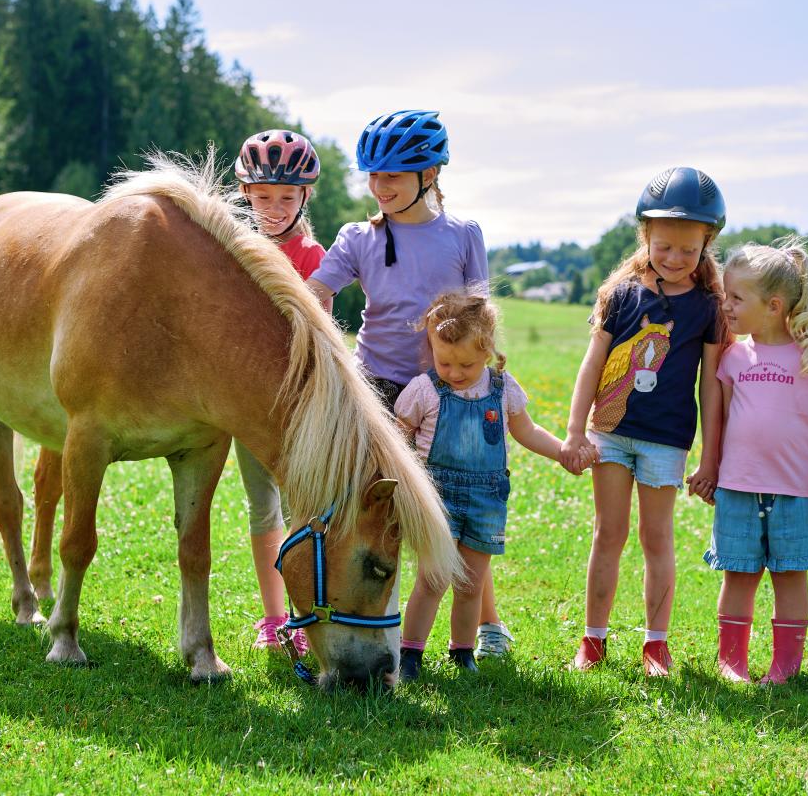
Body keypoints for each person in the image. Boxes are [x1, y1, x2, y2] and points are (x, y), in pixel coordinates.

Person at [306, 110, 514, 657]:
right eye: (373, 177)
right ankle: (382, 618)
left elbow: (480, 313)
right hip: (375, 387)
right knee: (380, 509)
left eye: (393, 176)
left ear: (430, 175)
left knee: (456, 505)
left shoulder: (463, 236)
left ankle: (487, 623)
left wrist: (486, 372)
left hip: (443, 390)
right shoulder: (359, 237)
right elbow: (314, 292)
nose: (380, 188)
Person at [560, 167, 727, 676]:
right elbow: (592, 364)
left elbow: (712, 386)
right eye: (664, 246)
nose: (675, 259)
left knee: (658, 540)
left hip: (666, 441)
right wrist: (573, 430)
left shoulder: (709, 308)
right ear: (645, 236)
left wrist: (711, 455)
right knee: (607, 534)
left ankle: (656, 644)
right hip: (609, 434)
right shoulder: (620, 296)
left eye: (688, 250)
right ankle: (594, 640)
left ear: (707, 245)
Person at [393, 290, 588, 680]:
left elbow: (526, 430)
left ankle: (462, 652)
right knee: (432, 580)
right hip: (438, 497)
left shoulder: (501, 388)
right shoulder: (424, 390)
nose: (454, 371)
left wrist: (563, 452)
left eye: (465, 363)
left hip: (486, 500)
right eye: (443, 361)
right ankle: (410, 653)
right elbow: (399, 438)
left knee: (470, 583)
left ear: (487, 351)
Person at [706, 238, 808, 684]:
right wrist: (709, 467)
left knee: (790, 576)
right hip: (738, 487)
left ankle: (785, 665)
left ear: (772, 306)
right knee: (738, 576)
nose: (725, 305)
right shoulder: (733, 357)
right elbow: (722, 418)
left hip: (794, 490)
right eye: (725, 296)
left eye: (735, 298)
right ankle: (732, 661)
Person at [232, 129, 326, 654]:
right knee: (261, 509)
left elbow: (321, 333)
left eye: (286, 197)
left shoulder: (313, 257)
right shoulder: (234, 251)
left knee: (300, 511)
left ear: (304, 197)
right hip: (247, 404)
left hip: (296, 405)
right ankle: (272, 617)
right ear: (245, 195)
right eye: (263, 196)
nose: (274, 207)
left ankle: (302, 614)